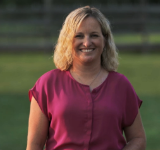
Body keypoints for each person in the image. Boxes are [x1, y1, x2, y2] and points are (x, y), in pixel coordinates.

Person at [26, 6, 146, 150]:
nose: (87, 43)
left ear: (105, 40)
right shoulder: (47, 84)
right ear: (67, 40)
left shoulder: (121, 85)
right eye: (79, 36)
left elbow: (138, 139)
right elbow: (34, 145)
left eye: (94, 35)